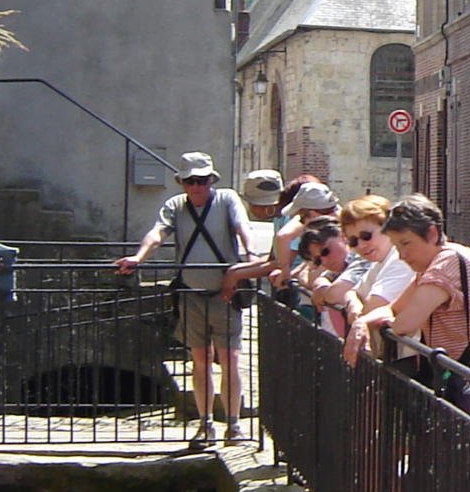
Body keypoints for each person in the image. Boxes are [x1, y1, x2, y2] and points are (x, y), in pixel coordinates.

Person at [116, 152, 254, 446]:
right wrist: (139, 258)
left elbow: (243, 227)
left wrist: (250, 257)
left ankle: (233, 424)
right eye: (190, 181)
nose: (196, 187)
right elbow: (158, 233)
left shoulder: (227, 199)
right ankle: (205, 425)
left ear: (211, 180)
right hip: (191, 295)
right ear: (182, 183)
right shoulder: (176, 206)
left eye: (202, 181)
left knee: (230, 358)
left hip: (225, 294)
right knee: (200, 359)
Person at [345, 194, 470, 386]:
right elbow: (393, 309)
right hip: (450, 377)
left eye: (406, 244)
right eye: (396, 246)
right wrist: (362, 323)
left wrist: (376, 322)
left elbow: (405, 323)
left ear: (432, 233)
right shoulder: (429, 266)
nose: (401, 256)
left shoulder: (447, 263)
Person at [302, 195, 415, 339]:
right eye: (353, 241)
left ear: (387, 227)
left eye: (366, 236)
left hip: (407, 355)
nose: (361, 245)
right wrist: (354, 305)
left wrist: (356, 310)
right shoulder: (378, 262)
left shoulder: (400, 261)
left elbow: (373, 306)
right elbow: (352, 293)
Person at [216, 170, 286, 304]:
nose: (251, 210)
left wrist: (237, 274)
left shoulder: (289, 219)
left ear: (267, 206)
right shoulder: (278, 220)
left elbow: (284, 263)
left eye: (253, 205)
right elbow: (272, 259)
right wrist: (235, 270)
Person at [276, 180, 342, 322]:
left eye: (301, 218)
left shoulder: (334, 239)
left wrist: (289, 273)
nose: (301, 223)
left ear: (312, 214)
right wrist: (294, 272)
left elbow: (313, 280)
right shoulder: (339, 224)